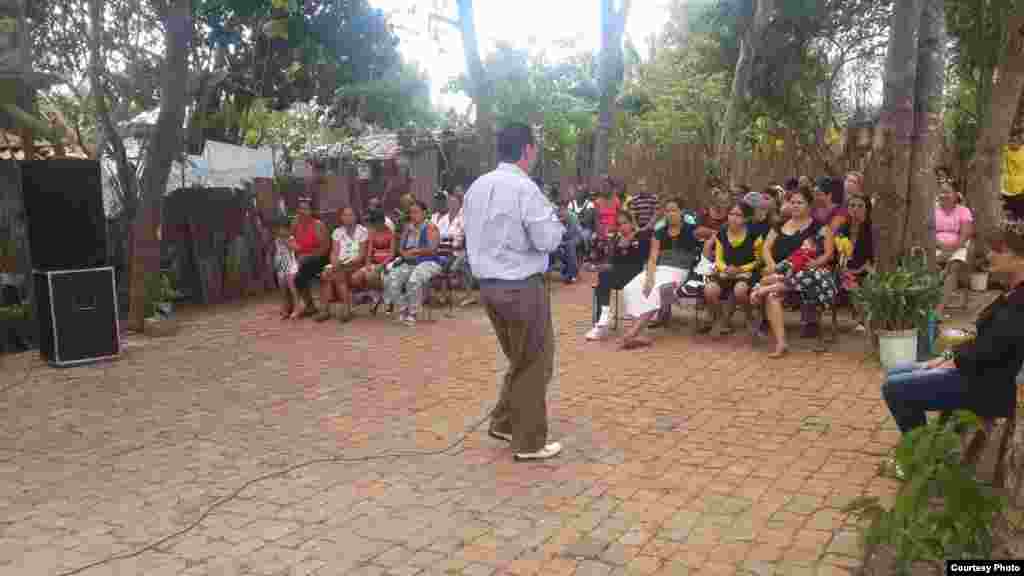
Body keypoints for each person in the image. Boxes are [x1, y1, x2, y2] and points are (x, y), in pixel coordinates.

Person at [463, 122, 565, 461]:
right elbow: (547, 240)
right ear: (527, 150)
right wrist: (554, 222)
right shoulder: (525, 190)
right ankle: (530, 442)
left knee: (520, 358)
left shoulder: (476, 188)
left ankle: (505, 422)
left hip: (489, 288)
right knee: (537, 362)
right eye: (534, 147)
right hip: (521, 288)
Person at [881, 217, 1024, 449]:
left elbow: (992, 351)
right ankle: (929, 446)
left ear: (1020, 258)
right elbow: (983, 342)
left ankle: (922, 451)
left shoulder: (1020, 302)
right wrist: (946, 358)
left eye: (999, 250)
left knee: (894, 388)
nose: (990, 256)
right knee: (896, 372)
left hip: (986, 386)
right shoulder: (1011, 293)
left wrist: (952, 362)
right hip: (975, 373)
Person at [751, 186, 836, 357]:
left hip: (808, 278)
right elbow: (766, 248)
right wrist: (772, 265)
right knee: (772, 296)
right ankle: (781, 343)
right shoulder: (779, 224)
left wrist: (815, 263)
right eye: (792, 202)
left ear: (809, 205)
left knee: (773, 286)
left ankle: (761, 288)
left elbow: (828, 253)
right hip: (781, 273)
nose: (795, 206)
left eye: (800, 202)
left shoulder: (820, 227)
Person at [619, 199, 700, 349]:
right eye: (667, 211)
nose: (670, 214)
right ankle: (636, 332)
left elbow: (716, 234)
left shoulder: (692, 230)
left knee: (657, 290)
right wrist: (649, 277)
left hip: (678, 271)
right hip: (659, 269)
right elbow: (653, 258)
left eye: (674, 210)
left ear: (681, 212)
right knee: (632, 286)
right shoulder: (659, 233)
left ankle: (632, 334)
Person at [586, 211, 651, 341]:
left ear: (631, 223)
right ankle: (603, 319)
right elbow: (613, 263)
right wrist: (599, 266)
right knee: (604, 277)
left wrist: (632, 243)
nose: (622, 227)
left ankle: (603, 319)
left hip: (635, 276)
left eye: (625, 223)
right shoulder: (616, 239)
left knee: (604, 279)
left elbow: (646, 258)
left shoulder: (641, 236)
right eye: (619, 224)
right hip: (619, 276)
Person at [704, 202, 763, 336]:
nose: (734, 218)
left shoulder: (754, 235)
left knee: (740, 290)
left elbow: (759, 260)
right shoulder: (722, 233)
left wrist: (741, 269)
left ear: (746, 218)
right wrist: (725, 269)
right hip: (726, 272)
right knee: (709, 290)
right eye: (731, 214)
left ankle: (749, 317)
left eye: (738, 215)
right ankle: (721, 319)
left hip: (747, 272)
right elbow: (718, 258)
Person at [382, 200, 443, 327]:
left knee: (414, 280)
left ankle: (413, 313)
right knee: (390, 278)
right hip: (409, 261)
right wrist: (403, 253)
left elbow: (432, 249)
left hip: (428, 261)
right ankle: (403, 309)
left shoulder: (431, 227)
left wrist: (416, 251)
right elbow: (401, 247)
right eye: (411, 213)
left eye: (416, 212)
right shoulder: (408, 228)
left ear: (424, 213)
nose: (413, 215)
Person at [316, 207, 368, 322]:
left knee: (338, 273)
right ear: (341, 217)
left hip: (355, 263)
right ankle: (325, 310)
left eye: (350, 215)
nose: (348, 218)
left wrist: (346, 263)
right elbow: (334, 252)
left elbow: (361, 255)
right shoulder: (337, 232)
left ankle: (346, 309)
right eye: (345, 215)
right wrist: (335, 262)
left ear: (355, 217)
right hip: (340, 263)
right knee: (326, 273)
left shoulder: (362, 231)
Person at [834, 193, 875, 331]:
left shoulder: (872, 229)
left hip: (866, 269)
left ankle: (864, 320)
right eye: (852, 205)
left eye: (860, 206)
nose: (855, 209)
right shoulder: (842, 229)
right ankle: (861, 319)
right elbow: (838, 255)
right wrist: (844, 268)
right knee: (849, 280)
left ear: (867, 209)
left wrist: (860, 270)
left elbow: (873, 258)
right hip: (846, 270)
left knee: (866, 280)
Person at [935, 181, 975, 315]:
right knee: (928, 264)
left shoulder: (963, 211)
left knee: (954, 267)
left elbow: (965, 235)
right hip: (936, 246)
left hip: (958, 246)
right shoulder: (933, 210)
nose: (944, 195)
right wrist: (940, 247)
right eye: (941, 192)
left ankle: (939, 309)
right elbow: (928, 233)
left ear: (956, 195)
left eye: (947, 192)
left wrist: (949, 252)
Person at [290, 197, 330, 319]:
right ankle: (309, 305)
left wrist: (308, 256)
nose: (303, 212)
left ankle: (320, 308)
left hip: (320, 258)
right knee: (297, 277)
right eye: (301, 209)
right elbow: (291, 241)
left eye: (306, 209)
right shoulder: (295, 224)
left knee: (304, 267)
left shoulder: (318, 225)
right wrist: (297, 252)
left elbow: (325, 248)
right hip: (303, 260)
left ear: (311, 211)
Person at [352, 208, 395, 310]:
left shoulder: (391, 234)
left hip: (388, 264)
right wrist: (367, 264)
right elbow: (369, 252)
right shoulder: (372, 233)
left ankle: (381, 295)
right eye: (373, 223)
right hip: (374, 263)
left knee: (370, 276)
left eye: (376, 222)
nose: (374, 225)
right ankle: (375, 294)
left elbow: (392, 255)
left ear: (382, 221)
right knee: (355, 278)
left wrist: (382, 265)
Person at [272, 218, 300, 319]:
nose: (281, 231)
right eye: (279, 229)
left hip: (290, 265)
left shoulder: (290, 238)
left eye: (283, 229)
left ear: (288, 229)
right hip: (281, 266)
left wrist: (288, 243)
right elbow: (277, 252)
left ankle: (297, 307)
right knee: (282, 289)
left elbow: (297, 248)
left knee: (292, 288)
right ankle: (285, 308)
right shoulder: (277, 240)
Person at [554, 204, 581, 284]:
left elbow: (570, 234)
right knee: (554, 247)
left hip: (576, 237)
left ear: (566, 212)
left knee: (569, 246)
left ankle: (572, 274)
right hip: (563, 239)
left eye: (562, 215)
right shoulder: (555, 217)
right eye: (559, 216)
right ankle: (568, 269)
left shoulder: (573, 217)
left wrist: (561, 241)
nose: (560, 218)